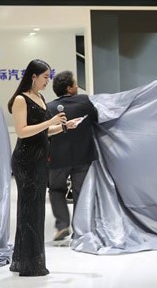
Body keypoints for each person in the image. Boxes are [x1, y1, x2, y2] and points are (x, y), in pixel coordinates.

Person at [8, 59, 82, 277]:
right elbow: (22, 131)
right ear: (33, 77)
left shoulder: (40, 98)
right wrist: (50, 123)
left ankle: (25, 260)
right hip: (25, 161)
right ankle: (30, 264)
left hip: (40, 160)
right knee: (29, 211)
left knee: (35, 211)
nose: (47, 81)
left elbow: (43, 132)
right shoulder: (21, 99)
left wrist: (64, 127)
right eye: (45, 77)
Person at [46, 71, 98, 242]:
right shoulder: (85, 101)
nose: (77, 86)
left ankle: (62, 225)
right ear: (69, 88)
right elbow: (96, 119)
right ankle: (80, 229)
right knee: (80, 193)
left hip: (58, 158)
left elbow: (45, 132)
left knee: (56, 190)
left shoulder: (49, 108)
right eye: (75, 84)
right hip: (83, 156)